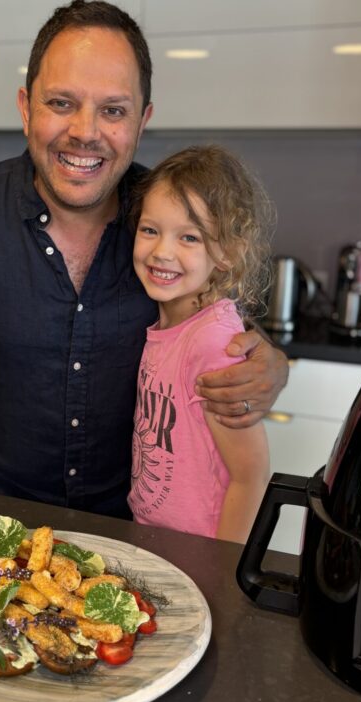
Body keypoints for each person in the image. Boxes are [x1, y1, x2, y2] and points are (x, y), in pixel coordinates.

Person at [0, 0, 289, 535]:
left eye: (113, 110)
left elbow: (212, 320)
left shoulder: (163, 223)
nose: (85, 131)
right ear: (26, 108)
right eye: (62, 103)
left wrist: (271, 363)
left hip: (131, 536)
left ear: (142, 121)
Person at [127, 145, 272, 543]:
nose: (162, 252)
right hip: (159, 543)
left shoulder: (213, 344)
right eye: (150, 230)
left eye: (189, 237)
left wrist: (222, 570)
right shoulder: (166, 323)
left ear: (228, 252)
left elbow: (251, 475)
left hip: (199, 555)